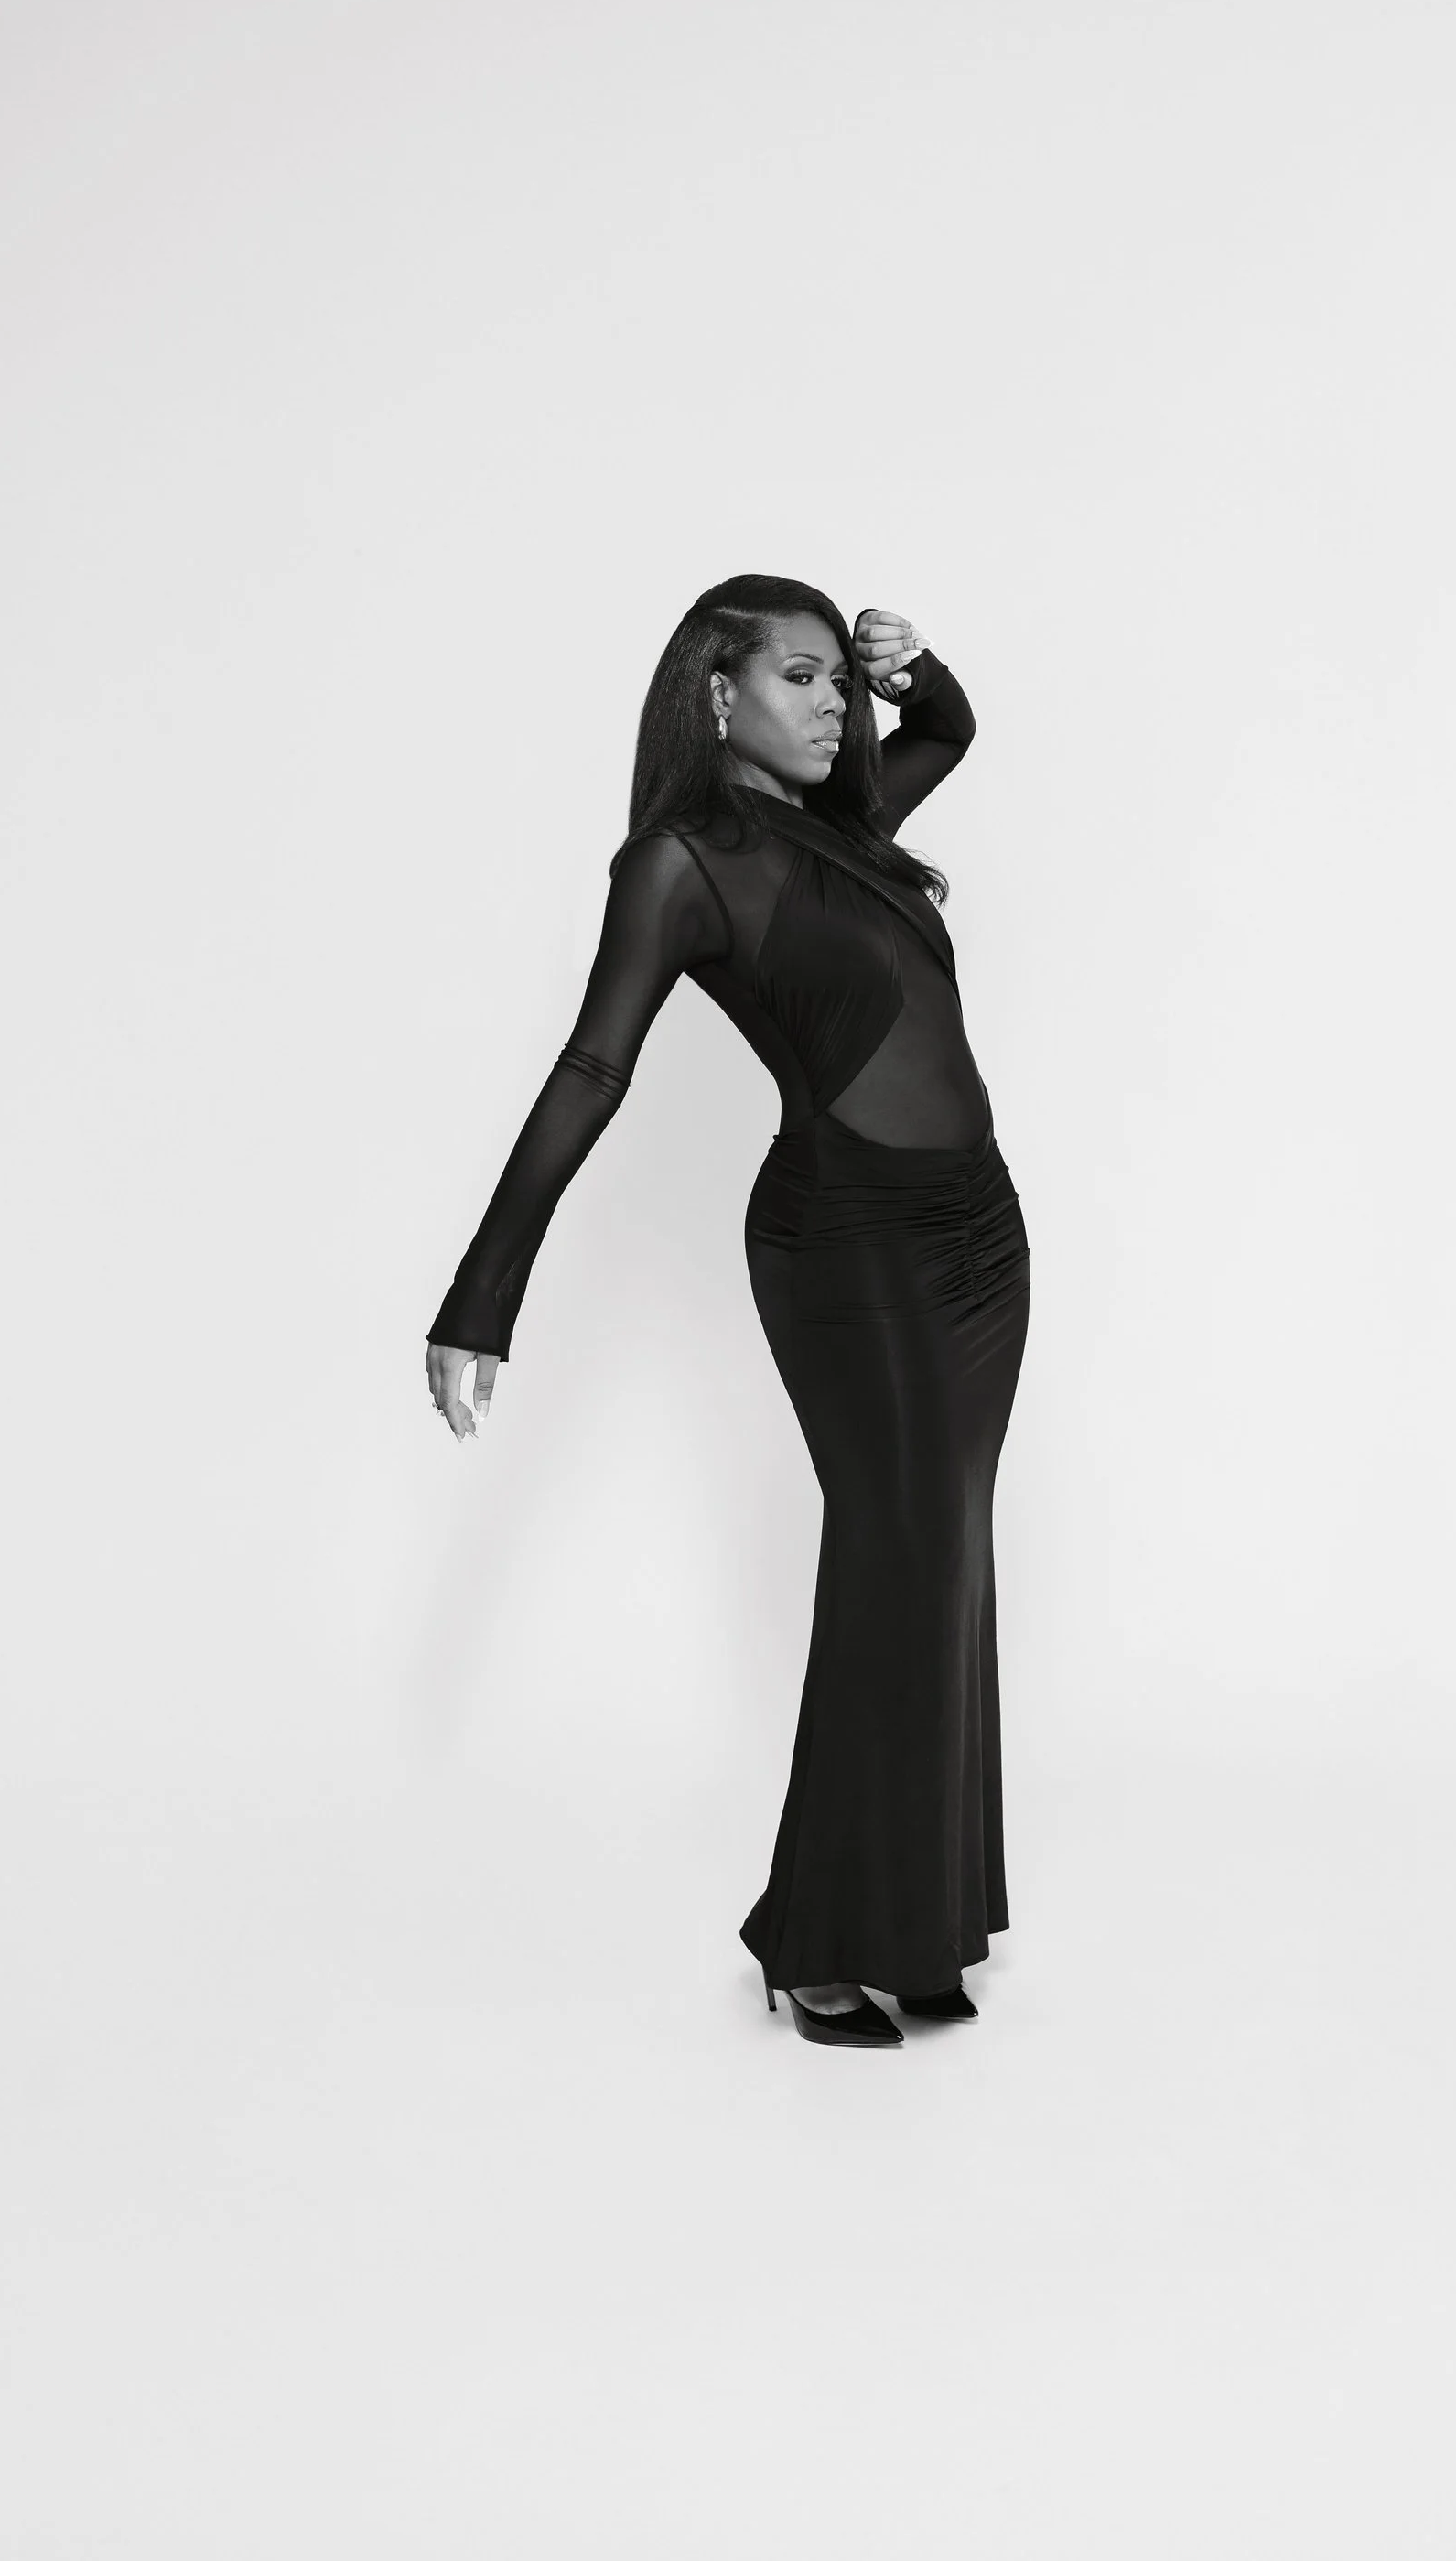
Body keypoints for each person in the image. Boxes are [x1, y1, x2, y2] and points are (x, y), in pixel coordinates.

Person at [425, 575, 1030, 2048]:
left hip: (979, 1238)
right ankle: (819, 1937)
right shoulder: (682, 863)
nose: (836, 707)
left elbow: (949, 725)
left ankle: (919, 1923)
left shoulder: (846, 826)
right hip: (848, 1242)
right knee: (892, 1556)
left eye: (839, 679)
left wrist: (910, 664)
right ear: (717, 692)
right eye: (802, 678)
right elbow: (592, 1069)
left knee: (948, 1556)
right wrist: (483, 1292)